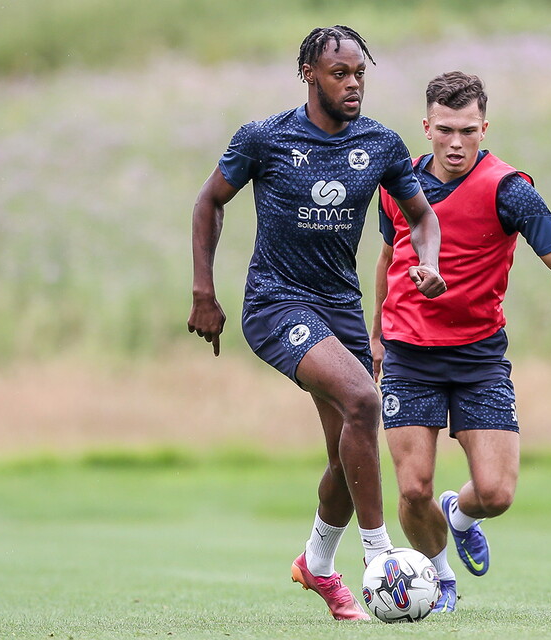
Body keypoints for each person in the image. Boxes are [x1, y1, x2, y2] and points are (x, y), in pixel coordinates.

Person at [187, 26, 446, 621]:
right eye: (340, 74)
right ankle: (381, 557)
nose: (353, 84)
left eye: (360, 74)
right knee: (363, 400)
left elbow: (422, 218)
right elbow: (208, 202)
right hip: (276, 303)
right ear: (309, 74)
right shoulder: (266, 137)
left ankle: (316, 565)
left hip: (340, 309)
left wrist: (427, 263)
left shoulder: (379, 143)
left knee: (346, 457)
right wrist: (204, 289)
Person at [371, 71, 551, 613]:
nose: (455, 143)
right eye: (444, 130)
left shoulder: (510, 191)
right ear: (426, 127)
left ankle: (461, 513)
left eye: (467, 131)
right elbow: (386, 258)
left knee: (496, 493)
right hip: (408, 354)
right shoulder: (397, 185)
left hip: (478, 357)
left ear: (484, 128)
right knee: (411, 489)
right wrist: (376, 335)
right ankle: (441, 578)